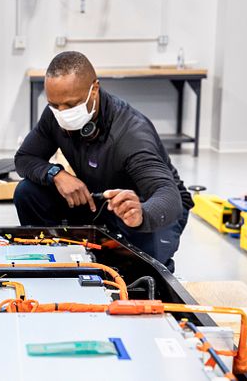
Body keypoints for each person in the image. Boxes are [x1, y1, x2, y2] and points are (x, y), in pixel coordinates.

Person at [13, 51, 193, 271]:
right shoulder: (55, 114)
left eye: (71, 105)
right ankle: (54, 258)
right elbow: (24, 158)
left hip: (148, 207)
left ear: (94, 90)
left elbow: (168, 194)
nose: (62, 114)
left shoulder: (130, 133)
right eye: (54, 105)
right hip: (102, 199)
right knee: (27, 192)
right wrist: (55, 174)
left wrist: (142, 214)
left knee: (141, 268)